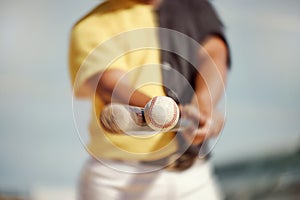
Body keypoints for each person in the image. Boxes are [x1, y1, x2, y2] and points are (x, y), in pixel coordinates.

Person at [69, 0, 230, 199]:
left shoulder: (195, 5)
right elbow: (109, 85)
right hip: (117, 182)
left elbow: (214, 52)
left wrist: (203, 105)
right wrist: (165, 112)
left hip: (194, 176)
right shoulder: (91, 25)